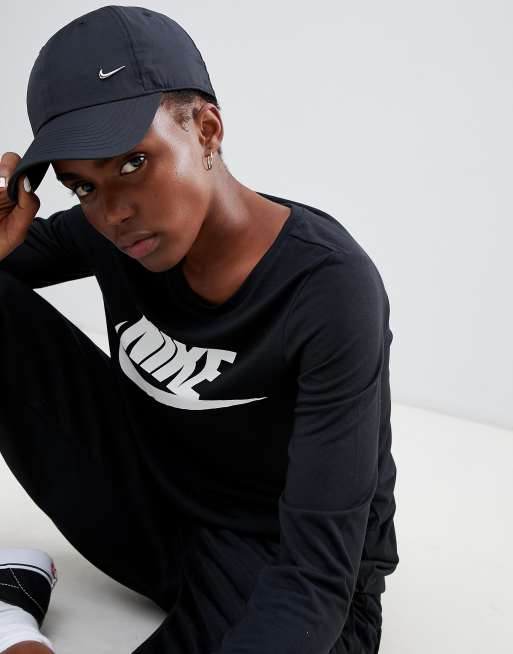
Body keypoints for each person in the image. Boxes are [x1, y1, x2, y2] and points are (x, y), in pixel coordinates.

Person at [0, 5, 399, 654]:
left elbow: (318, 576)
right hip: (152, 519)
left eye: (134, 162)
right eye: (82, 187)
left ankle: (10, 618)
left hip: (280, 565)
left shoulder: (328, 287)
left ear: (207, 130)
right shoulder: (118, 229)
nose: (113, 211)